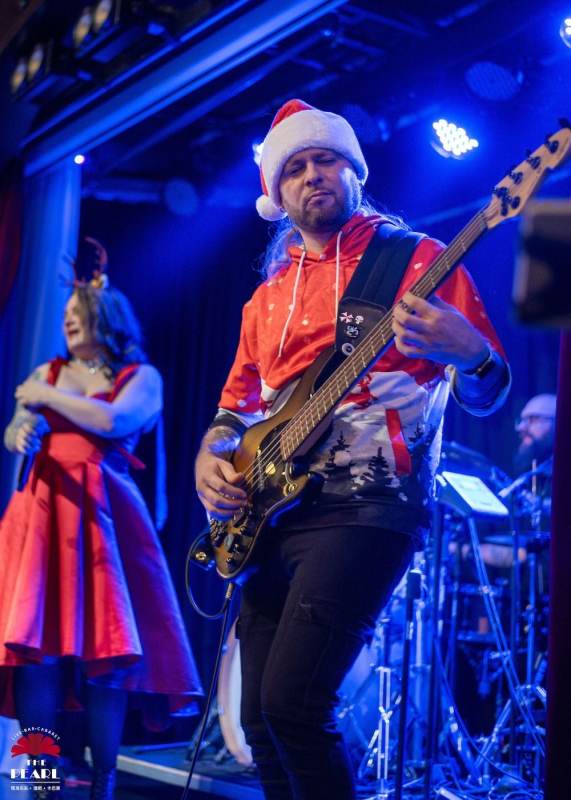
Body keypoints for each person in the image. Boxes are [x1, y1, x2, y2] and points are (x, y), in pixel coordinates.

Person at [194, 99, 511, 800]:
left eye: (326, 159)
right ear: (275, 197)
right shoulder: (265, 299)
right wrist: (209, 457)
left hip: (369, 504)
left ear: (355, 172)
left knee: (293, 705)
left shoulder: (416, 259)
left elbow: (488, 393)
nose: (313, 175)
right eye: (295, 168)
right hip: (269, 515)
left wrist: (473, 355)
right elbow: (232, 410)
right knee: (257, 721)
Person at [0, 242, 202, 800]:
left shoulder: (142, 376)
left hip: (105, 523)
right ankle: (42, 783)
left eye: (77, 313)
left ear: (105, 316)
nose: (66, 321)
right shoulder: (49, 371)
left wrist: (44, 396)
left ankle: (102, 784)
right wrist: (20, 429)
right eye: (65, 315)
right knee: (36, 658)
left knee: (106, 659)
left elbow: (113, 421)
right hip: (43, 515)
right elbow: (16, 425)